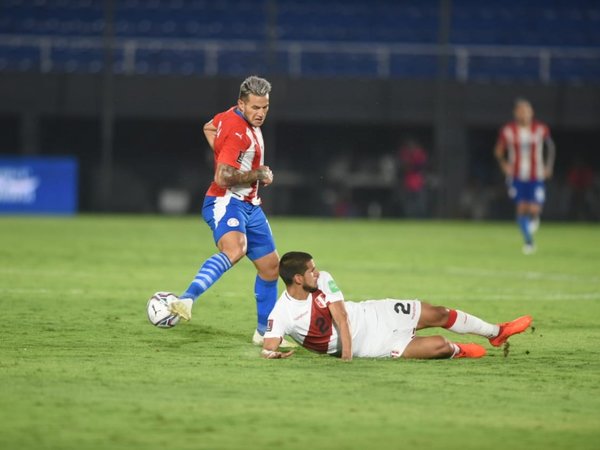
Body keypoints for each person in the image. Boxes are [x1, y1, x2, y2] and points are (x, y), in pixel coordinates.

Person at [168, 76, 289, 346]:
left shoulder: (229, 115)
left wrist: (224, 153)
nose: (260, 113)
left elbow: (209, 128)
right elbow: (223, 178)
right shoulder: (237, 131)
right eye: (255, 108)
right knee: (236, 249)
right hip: (225, 200)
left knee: (270, 268)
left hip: (250, 205)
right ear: (241, 104)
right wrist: (256, 173)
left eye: (265, 107)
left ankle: (263, 333)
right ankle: (186, 299)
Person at [261, 252, 532, 360]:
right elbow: (268, 348)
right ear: (298, 278)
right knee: (437, 345)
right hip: (372, 347)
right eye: (311, 271)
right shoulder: (282, 313)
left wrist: (346, 358)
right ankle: (459, 351)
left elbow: (342, 318)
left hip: (374, 313)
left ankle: (497, 333)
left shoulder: (324, 280)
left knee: (437, 313)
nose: (317, 273)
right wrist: (274, 356)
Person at [494, 98, 556, 254]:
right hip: (517, 175)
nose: (524, 114)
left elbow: (550, 147)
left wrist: (548, 166)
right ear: (515, 113)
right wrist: (504, 164)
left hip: (536, 175)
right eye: (521, 111)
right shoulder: (508, 130)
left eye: (527, 111)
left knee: (534, 208)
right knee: (522, 207)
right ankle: (528, 241)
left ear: (531, 112)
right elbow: (499, 150)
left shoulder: (541, 128)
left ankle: (534, 218)